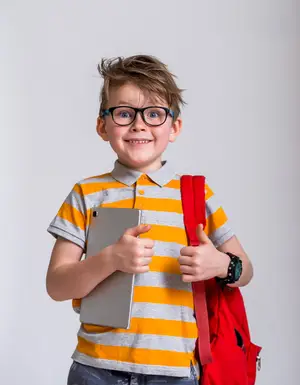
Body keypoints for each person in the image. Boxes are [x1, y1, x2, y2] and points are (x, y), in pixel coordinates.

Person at [46, 55, 253, 385]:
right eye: (124, 113)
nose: (139, 125)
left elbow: (245, 269)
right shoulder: (86, 193)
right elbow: (56, 285)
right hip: (96, 369)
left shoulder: (197, 195)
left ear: (175, 128)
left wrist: (222, 265)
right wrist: (110, 259)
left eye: (154, 114)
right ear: (103, 125)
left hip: (175, 374)